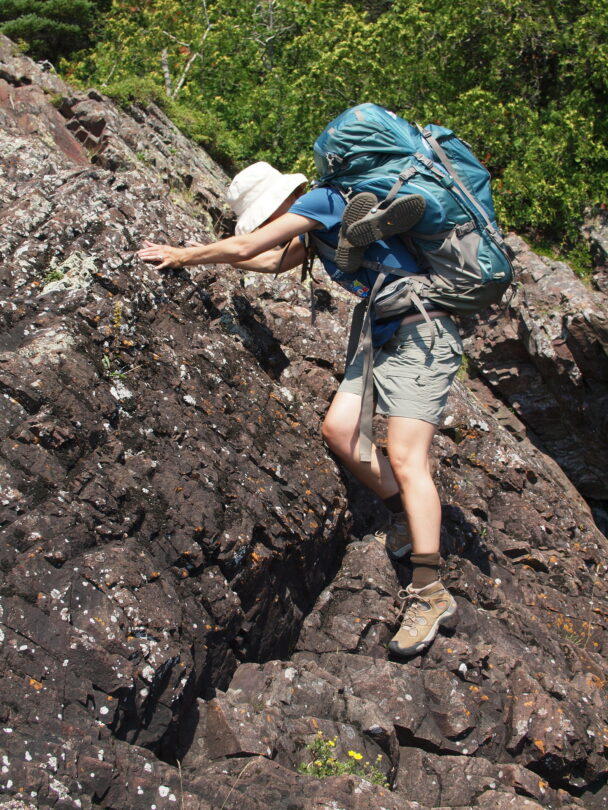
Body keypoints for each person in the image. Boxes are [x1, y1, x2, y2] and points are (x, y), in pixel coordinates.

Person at [138, 160, 462, 657]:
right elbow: (266, 261)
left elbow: (249, 246)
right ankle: (404, 513)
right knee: (338, 432)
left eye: (267, 216)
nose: (269, 225)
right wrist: (214, 258)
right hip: (380, 334)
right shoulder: (317, 230)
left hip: (422, 330)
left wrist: (185, 255)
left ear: (280, 203)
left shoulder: (323, 201)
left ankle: (428, 588)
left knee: (405, 455)